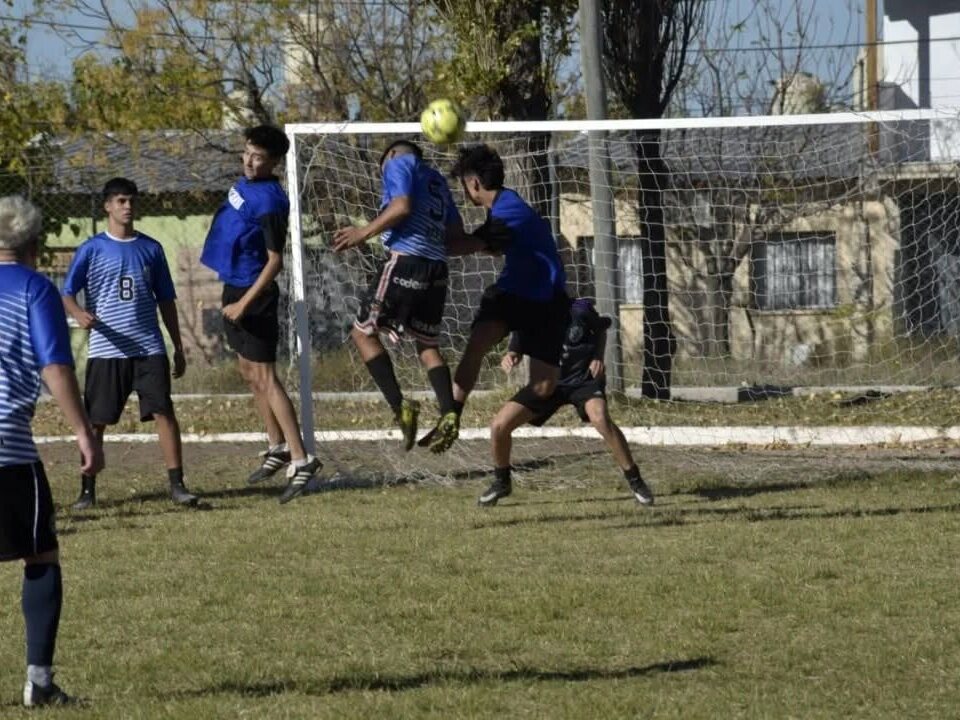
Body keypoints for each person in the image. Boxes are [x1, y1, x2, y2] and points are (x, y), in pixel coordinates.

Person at [422, 143, 571, 507]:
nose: (464, 192)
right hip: (510, 294)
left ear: (473, 184)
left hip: (548, 303)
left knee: (544, 386)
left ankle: (557, 396)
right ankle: (452, 417)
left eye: (463, 186)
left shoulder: (509, 214)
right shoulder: (504, 204)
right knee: (477, 344)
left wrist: (423, 241)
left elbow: (468, 246)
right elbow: (490, 244)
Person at [0, 195, 105, 706]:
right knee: (40, 553)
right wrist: (83, 431)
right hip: (7, 447)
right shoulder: (35, 289)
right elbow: (56, 369)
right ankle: (39, 682)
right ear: (35, 245)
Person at [200, 125, 320, 504]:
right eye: (247, 153)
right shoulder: (245, 184)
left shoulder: (270, 201)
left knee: (266, 377)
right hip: (235, 285)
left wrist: (244, 303)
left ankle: (302, 460)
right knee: (248, 372)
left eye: (259, 158)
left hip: (256, 295)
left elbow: (275, 262)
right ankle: (276, 446)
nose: (250, 161)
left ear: (274, 163)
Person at [62, 177, 198, 509]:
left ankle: (178, 485)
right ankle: (87, 490)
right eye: (121, 201)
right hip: (107, 349)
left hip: (148, 347)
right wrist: (79, 313)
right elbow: (67, 292)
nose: (127, 206)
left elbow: (166, 299)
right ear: (107, 205)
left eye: (131, 201)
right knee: (97, 420)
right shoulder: (92, 248)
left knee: (163, 411)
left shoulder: (151, 248)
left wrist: (177, 346)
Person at [332, 140, 461, 453]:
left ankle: (400, 406)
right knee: (428, 345)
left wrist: (362, 232)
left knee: (362, 334)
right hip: (437, 268)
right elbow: (455, 235)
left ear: (389, 155)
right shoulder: (437, 180)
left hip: (406, 260)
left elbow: (401, 206)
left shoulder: (399, 163)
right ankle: (450, 415)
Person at [500, 298, 653, 505]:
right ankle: (501, 481)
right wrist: (510, 356)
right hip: (548, 385)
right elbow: (516, 347)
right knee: (500, 425)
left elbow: (601, 329)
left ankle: (635, 480)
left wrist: (598, 357)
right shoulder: (529, 314)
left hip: (583, 381)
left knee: (600, 419)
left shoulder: (580, 310)